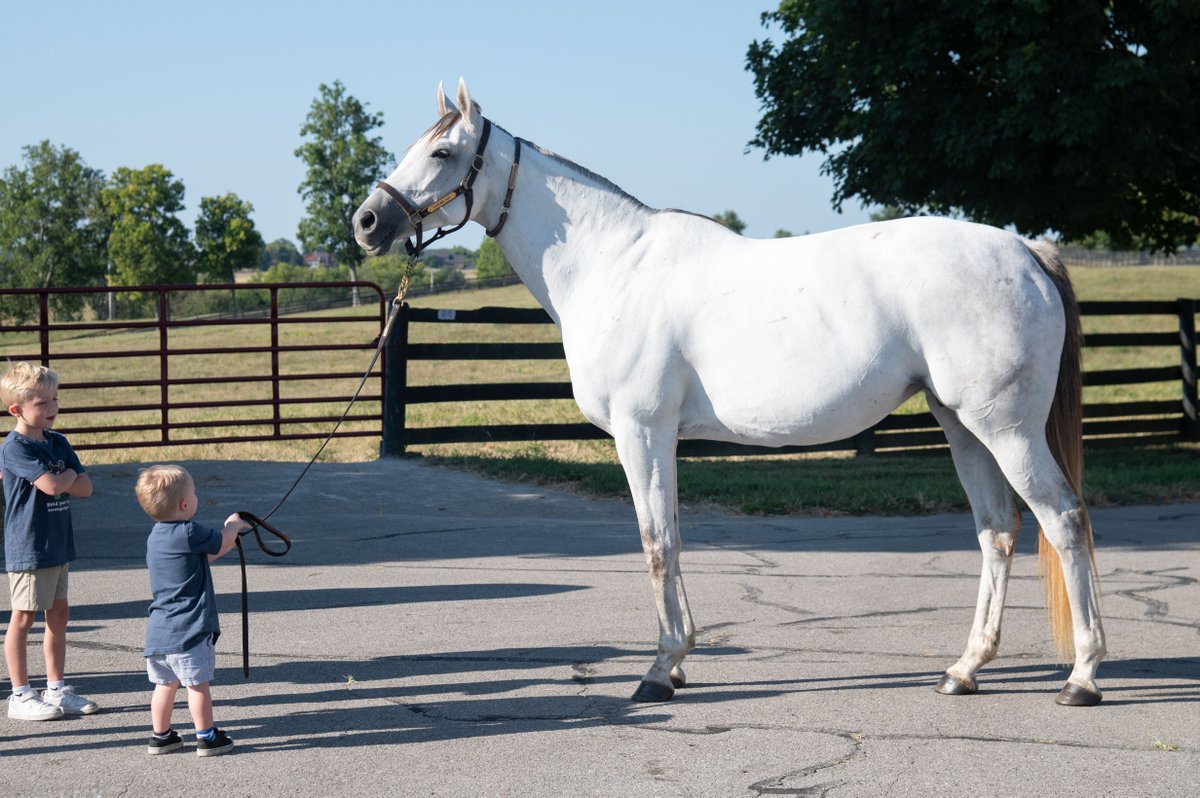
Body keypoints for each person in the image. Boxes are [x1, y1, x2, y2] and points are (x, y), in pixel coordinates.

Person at [1, 362, 97, 721]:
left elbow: (86, 489)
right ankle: (20, 695)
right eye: (42, 403)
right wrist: (69, 473)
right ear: (17, 410)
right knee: (23, 618)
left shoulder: (58, 442)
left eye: (54, 399)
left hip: (58, 544)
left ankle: (55, 688)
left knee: (58, 615)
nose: (52, 408)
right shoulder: (15, 448)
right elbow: (56, 486)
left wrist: (68, 476)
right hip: (29, 547)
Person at [135, 464, 249, 756]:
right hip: (190, 629)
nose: (196, 497)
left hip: (160, 632)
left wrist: (226, 539)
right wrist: (233, 525)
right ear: (185, 504)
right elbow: (221, 541)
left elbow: (203, 557)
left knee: (165, 685)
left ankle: (161, 736)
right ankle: (206, 736)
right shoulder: (189, 530)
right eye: (194, 493)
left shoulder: (156, 536)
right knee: (198, 686)